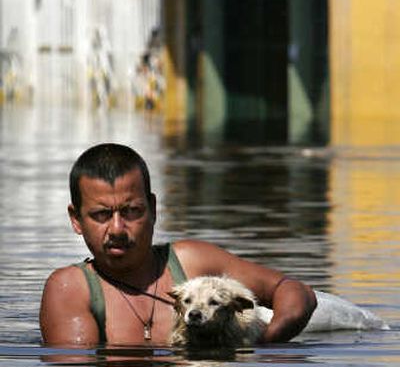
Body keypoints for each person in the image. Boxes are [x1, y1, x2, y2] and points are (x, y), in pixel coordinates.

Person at [40, 143, 317, 346]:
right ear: (76, 220)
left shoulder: (193, 262)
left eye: (132, 211)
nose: (117, 229)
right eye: (101, 215)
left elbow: (294, 291)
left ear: (153, 208)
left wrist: (266, 342)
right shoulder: (71, 289)